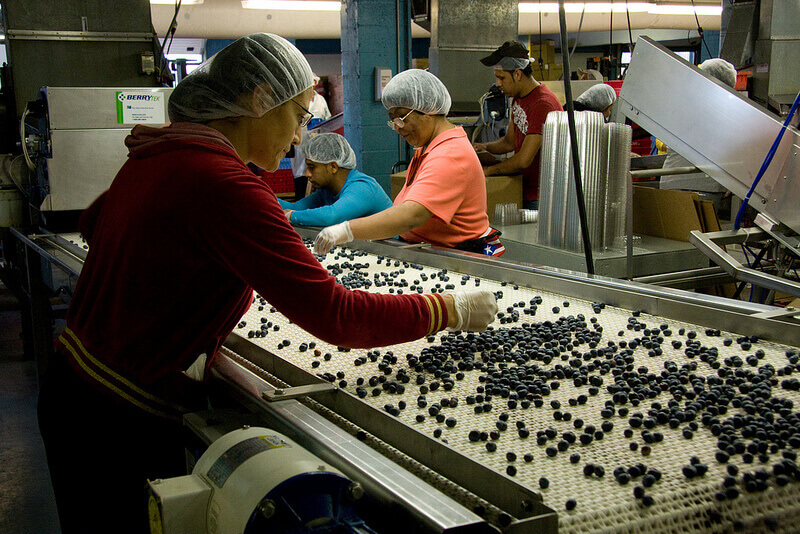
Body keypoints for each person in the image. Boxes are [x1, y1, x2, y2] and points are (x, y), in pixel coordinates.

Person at [37, 34, 498, 534]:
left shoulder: (158, 153)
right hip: (116, 422)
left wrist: (199, 341)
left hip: (75, 393)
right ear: (260, 99)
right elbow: (336, 316)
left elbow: (95, 225)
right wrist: (448, 310)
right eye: (299, 116)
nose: (301, 138)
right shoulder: (223, 182)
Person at [313, 69, 504, 257]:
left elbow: (411, 215)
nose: (397, 127)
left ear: (428, 109)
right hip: (428, 250)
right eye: (392, 120)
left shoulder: (449, 155)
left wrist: (345, 230)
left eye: (401, 118)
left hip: (455, 256)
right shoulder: (428, 149)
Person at [473, 40, 563, 210]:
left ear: (517, 74)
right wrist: (484, 146)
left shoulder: (543, 104)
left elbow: (523, 160)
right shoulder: (519, 98)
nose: (498, 84)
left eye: (501, 78)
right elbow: (509, 142)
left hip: (540, 197)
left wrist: (488, 171)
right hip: (522, 188)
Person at [660, 58, 737, 214]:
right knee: (699, 235)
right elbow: (732, 148)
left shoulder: (682, 100)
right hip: (705, 186)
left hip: (671, 180)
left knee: (674, 235)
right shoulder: (725, 109)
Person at [279, 133, 392, 226]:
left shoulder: (362, 187)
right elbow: (296, 207)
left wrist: (291, 216)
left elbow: (332, 216)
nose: (307, 174)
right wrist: (263, 196)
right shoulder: (327, 191)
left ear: (333, 167)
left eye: (312, 167)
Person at [290, 73, 333, 199]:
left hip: (317, 142)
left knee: (316, 175)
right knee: (301, 175)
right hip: (301, 142)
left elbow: (327, 119)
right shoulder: (298, 99)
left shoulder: (320, 100)